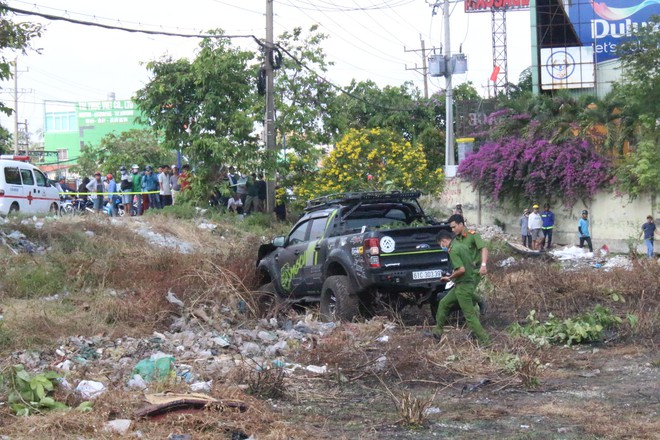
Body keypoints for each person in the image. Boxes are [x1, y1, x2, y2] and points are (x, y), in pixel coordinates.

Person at [431, 231, 490, 345]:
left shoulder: (453, 250)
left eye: (441, 244)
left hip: (463, 285)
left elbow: (461, 269)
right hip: (464, 283)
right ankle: (437, 332)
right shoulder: (462, 246)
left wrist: (449, 277)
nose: (441, 247)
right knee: (443, 303)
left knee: (470, 316)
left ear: (444, 241)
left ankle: (486, 341)